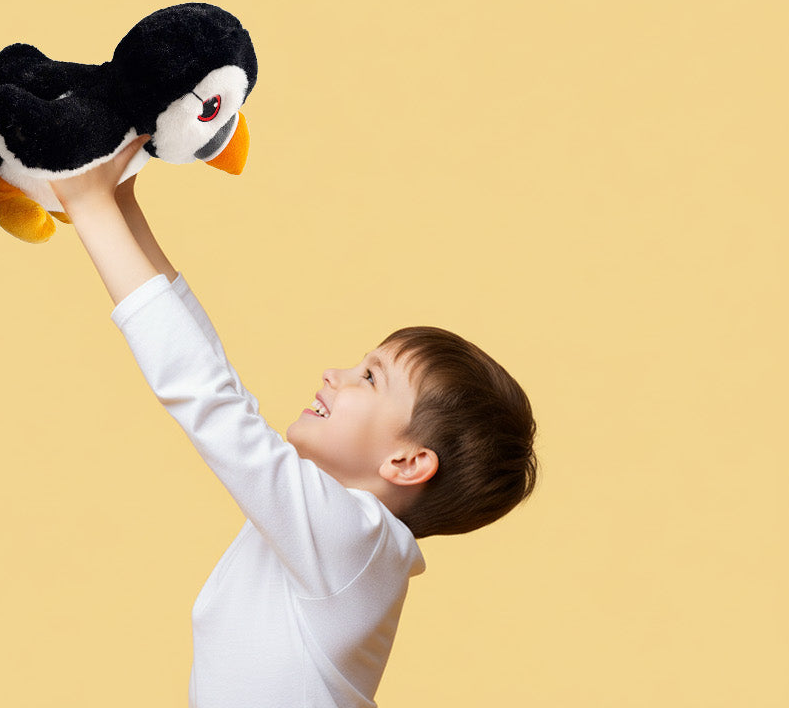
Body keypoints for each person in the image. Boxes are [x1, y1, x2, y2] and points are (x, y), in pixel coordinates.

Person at [47, 136, 539, 707]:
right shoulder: (329, 535)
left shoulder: (358, 543)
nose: (335, 373)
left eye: (371, 378)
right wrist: (121, 201)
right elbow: (215, 376)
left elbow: (209, 401)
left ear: (406, 462)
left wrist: (89, 208)